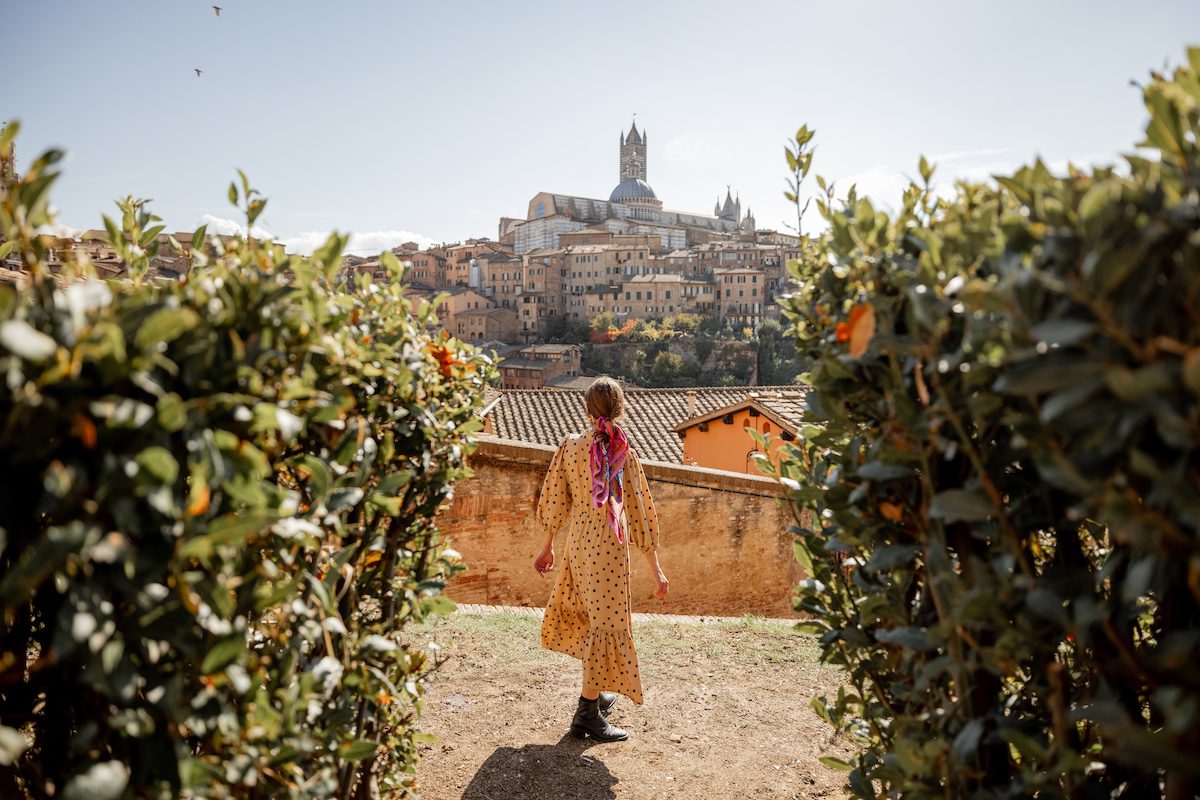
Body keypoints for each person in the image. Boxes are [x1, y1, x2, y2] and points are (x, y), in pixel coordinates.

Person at [533, 376, 669, 743]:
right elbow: (640, 512)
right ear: (619, 409)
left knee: (592, 618)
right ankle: (586, 715)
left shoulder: (569, 447)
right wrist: (656, 569)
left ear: (587, 409)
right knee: (605, 624)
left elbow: (555, 499)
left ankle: (596, 691)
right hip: (609, 551)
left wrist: (548, 546)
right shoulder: (623, 453)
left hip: (579, 545)